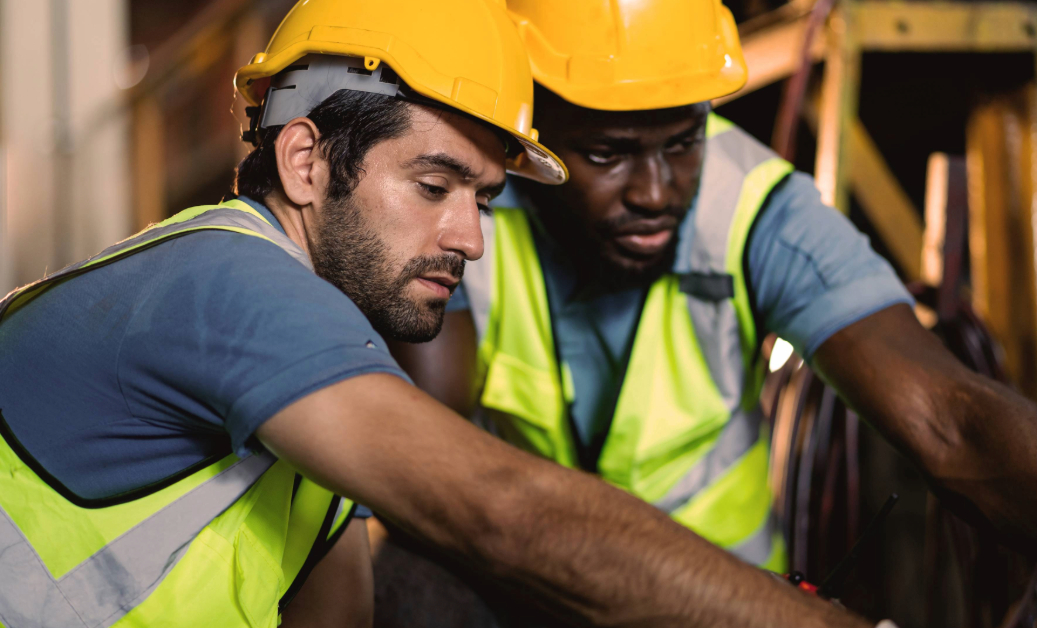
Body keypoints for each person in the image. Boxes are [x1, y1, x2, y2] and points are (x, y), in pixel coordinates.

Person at [0, 1, 883, 627]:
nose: (470, 238)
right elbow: (502, 510)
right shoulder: (222, 281)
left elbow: (338, 611)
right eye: (433, 186)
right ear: (305, 161)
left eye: (486, 201)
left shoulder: (315, 404)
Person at [388, 0, 1037, 614]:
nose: (657, 191)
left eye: (682, 141)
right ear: (527, 132)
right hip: (528, 595)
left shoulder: (755, 204)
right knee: (408, 584)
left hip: (723, 606)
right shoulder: (472, 212)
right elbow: (439, 474)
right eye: (608, 154)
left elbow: (952, 420)